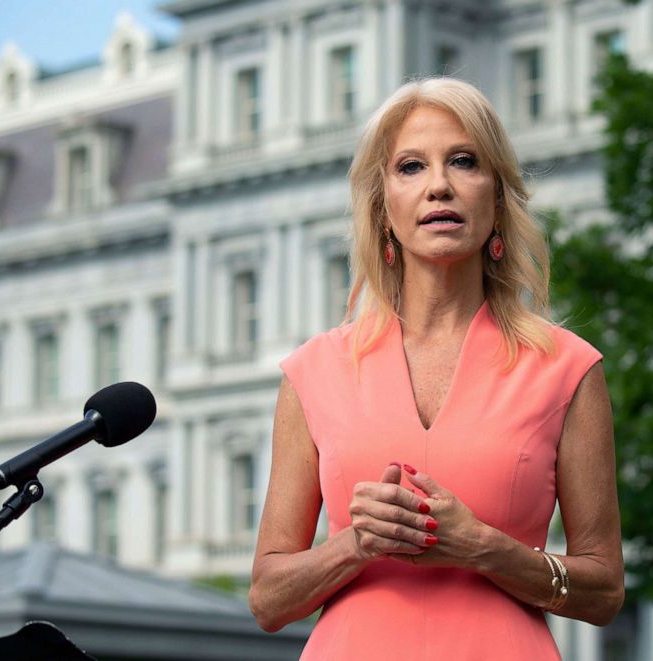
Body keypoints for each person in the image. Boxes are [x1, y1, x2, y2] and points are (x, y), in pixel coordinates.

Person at [249, 78, 624, 660]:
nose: (439, 186)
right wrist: (357, 544)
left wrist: (483, 547)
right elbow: (268, 601)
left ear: (497, 199)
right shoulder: (312, 372)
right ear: (382, 208)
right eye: (411, 167)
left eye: (464, 161)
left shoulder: (567, 368)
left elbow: (604, 593)